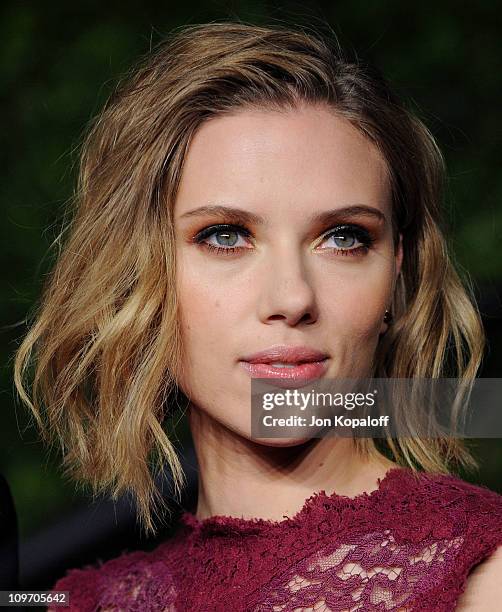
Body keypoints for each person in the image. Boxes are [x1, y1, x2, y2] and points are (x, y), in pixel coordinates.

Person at [13, 20, 502, 611]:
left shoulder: (482, 572)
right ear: (136, 274)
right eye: (225, 237)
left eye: (344, 238)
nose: (292, 298)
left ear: (396, 276)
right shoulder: (80, 602)